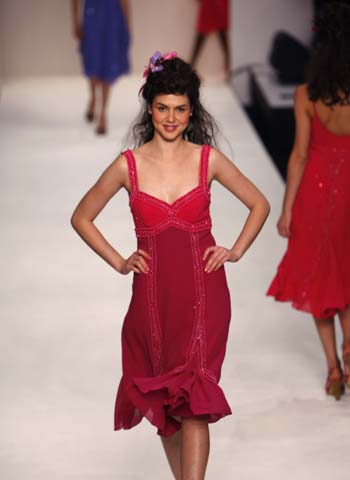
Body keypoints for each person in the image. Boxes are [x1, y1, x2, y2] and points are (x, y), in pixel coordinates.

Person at [71, 51, 269, 479]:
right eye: (163, 107)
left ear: (191, 110)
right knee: (165, 400)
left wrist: (234, 250)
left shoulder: (207, 159)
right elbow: (81, 217)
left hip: (205, 292)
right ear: (150, 107)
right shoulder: (129, 166)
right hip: (152, 298)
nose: (171, 118)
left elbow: (259, 203)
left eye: (180, 109)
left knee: (195, 395)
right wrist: (120, 261)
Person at [267, 2, 350, 401]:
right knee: (347, 277)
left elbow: (298, 154)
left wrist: (286, 210)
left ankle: (332, 367)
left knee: (321, 281)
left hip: (314, 195)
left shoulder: (306, 94)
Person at [71, 0, 130, 135]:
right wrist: (75, 21)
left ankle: (103, 113)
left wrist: (127, 26)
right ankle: (93, 97)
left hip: (112, 16)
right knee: (92, 60)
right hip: (92, 16)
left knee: (108, 63)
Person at [190, 0, 230, 78]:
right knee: (223, 41)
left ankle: (228, 67)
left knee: (199, 43)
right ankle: (228, 66)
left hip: (214, 9)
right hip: (211, 9)